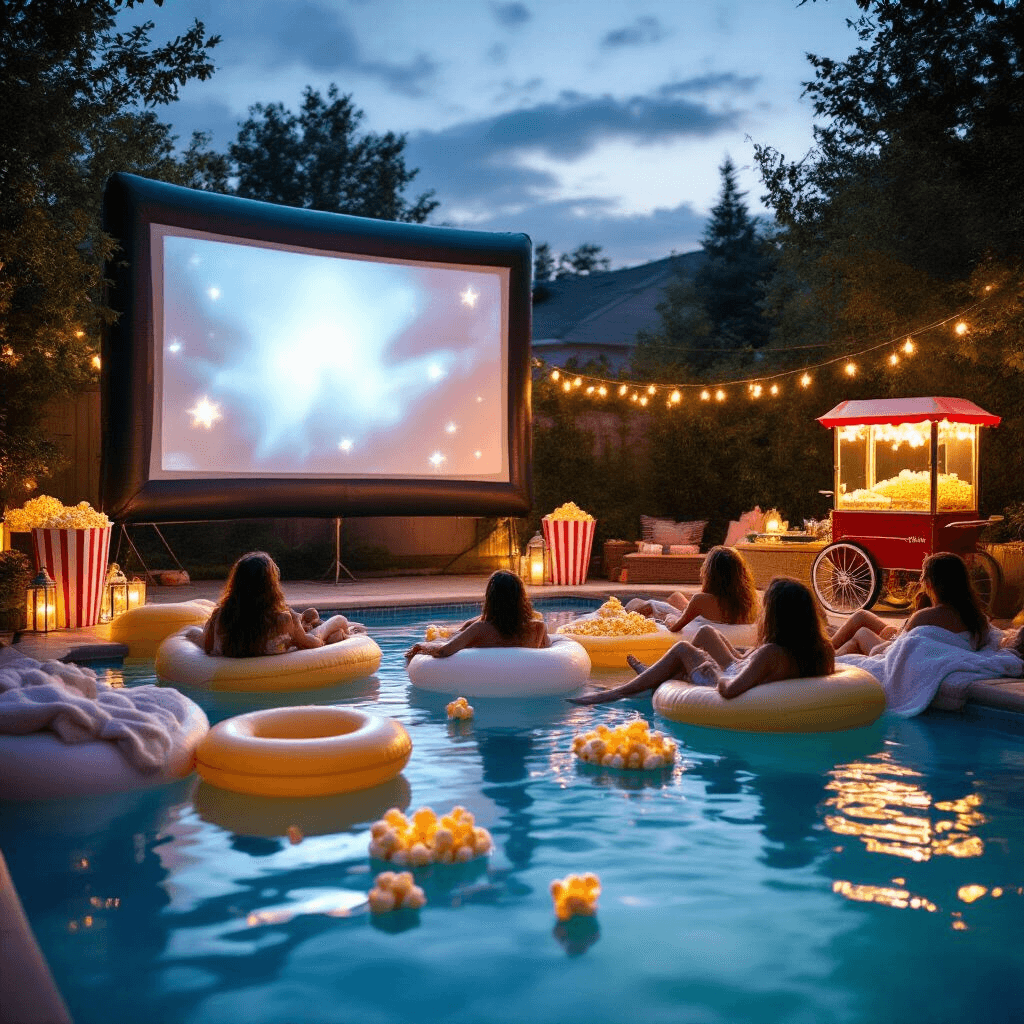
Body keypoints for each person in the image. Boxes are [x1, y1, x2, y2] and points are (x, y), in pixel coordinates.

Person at [569, 576, 834, 705]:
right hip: (747, 671)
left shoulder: (772, 653)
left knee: (684, 648)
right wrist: (746, 657)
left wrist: (710, 671)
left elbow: (729, 691)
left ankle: (617, 692)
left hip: (730, 679)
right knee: (707, 635)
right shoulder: (821, 648)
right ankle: (653, 673)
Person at [202, 551, 359, 657]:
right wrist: (298, 625)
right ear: (270, 587)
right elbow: (312, 644)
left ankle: (312, 623)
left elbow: (207, 647)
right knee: (339, 620)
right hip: (288, 650)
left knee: (307, 619)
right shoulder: (281, 619)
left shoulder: (221, 615)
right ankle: (339, 631)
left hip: (231, 673)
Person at [831, 552, 989, 655]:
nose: (920, 581)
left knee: (861, 633)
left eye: (923, 576)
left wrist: (892, 636)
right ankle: (829, 647)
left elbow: (898, 649)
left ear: (931, 583)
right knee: (861, 615)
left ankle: (827, 656)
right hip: (904, 639)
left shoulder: (925, 616)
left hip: (892, 649)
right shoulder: (977, 617)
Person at [405, 570, 549, 661]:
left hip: (486, 682)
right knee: (468, 625)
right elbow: (548, 651)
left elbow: (444, 651)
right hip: (524, 683)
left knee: (465, 628)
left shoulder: (480, 629)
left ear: (491, 599)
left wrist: (422, 646)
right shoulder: (538, 627)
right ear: (521, 598)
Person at [624, 545, 759, 633]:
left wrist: (668, 618)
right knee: (677, 597)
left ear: (711, 574)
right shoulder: (749, 601)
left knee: (644, 604)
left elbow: (675, 628)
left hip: (695, 624)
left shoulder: (701, 600)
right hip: (702, 620)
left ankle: (616, 619)